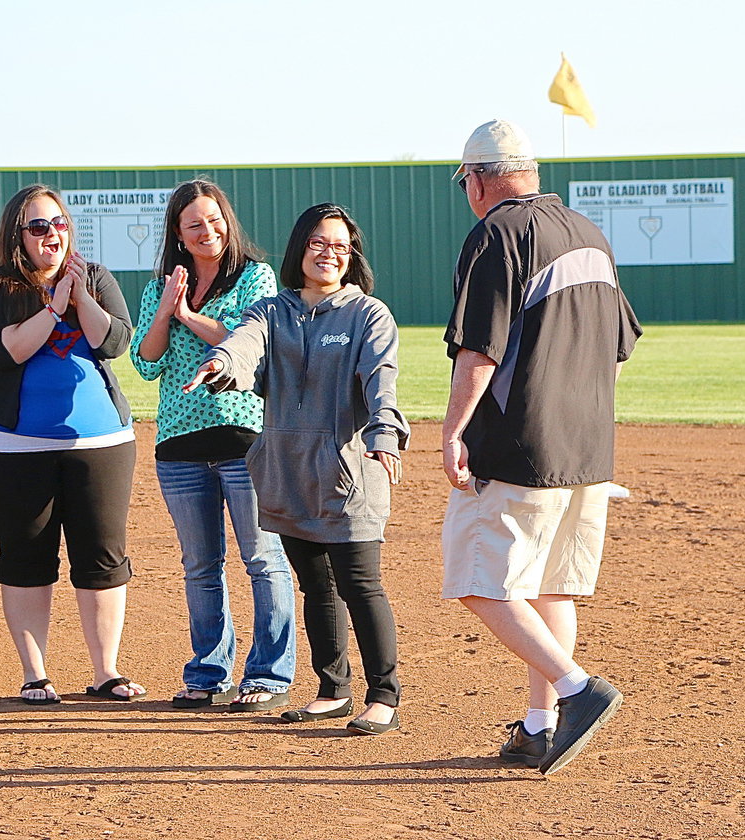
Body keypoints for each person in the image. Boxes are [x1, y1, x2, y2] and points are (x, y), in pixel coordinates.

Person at [442, 119, 641, 774]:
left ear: (477, 180)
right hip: (586, 448)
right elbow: (619, 348)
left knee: (478, 579)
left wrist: (453, 433)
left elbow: (479, 348)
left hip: (518, 445)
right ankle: (539, 726)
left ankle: (577, 689)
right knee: (550, 586)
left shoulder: (495, 232)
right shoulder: (590, 233)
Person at [187, 203, 409, 734]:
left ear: (351, 255)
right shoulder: (272, 310)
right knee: (315, 585)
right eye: (318, 243)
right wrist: (222, 364)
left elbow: (382, 378)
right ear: (300, 250)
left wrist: (385, 433)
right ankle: (333, 688)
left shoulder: (368, 315)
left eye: (339, 246)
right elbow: (245, 345)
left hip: (348, 474)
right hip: (287, 473)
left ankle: (385, 694)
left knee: (360, 584)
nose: (329, 254)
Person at [0, 184, 144, 704]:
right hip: (12, 446)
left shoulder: (95, 277)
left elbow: (113, 342)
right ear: (17, 236)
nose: (53, 234)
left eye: (60, 224)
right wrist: (53, 308)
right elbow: (5, 353)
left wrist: (81, 296)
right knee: (26, 556)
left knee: (102, 555)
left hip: (102, 443)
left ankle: (105, 670)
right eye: (39, 227)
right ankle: (35, 673)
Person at [131, 179, 295, 712]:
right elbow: (145, 361)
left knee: (263, 558)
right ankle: (208, 671)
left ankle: (269, 674)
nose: (209, 231)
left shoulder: (256, 277)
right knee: (201, 565)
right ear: (177, 234)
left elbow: (242, 339)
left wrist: (187, 316)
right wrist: (165, 311)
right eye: (195, 224)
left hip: (242, 438)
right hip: (179, 443)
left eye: (215, 219)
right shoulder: (161, 287)